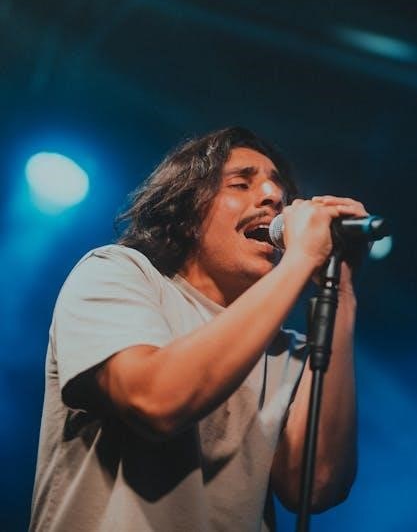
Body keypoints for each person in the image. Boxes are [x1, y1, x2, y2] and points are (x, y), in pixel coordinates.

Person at [30, 126, 366, 531]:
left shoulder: (290, 352)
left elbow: (315, 486)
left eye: (279, 190)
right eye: (241, 183)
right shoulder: (116, 274)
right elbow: (155, 399)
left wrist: (341, 288)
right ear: (188, 214)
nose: (273, 197)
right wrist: (301, 259)